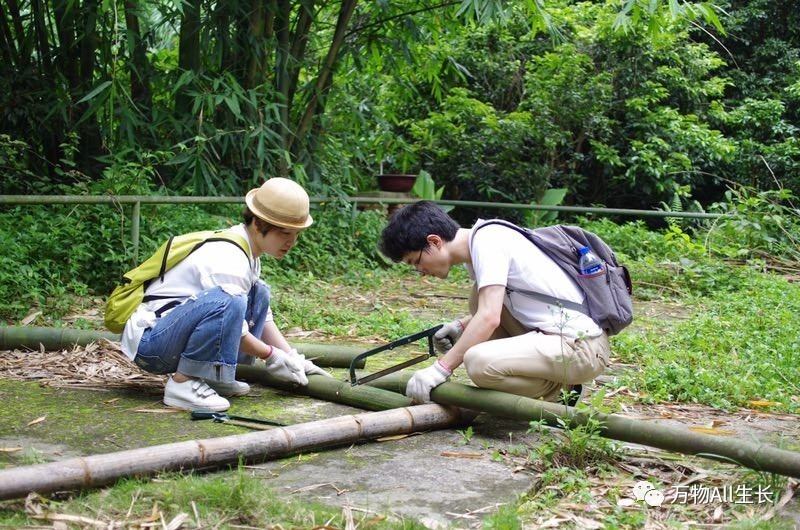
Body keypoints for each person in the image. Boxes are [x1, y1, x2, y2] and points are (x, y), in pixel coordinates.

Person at [119, 177, 330, 412]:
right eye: (284, 233)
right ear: (259, 224)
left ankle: (212, 377)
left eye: (296, 234)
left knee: (258, 293)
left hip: (170, 336)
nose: (291, 242)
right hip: (153, 347)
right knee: (229, 300)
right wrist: (271, 356)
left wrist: (291, 356)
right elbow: (235, 325)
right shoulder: (229, 258)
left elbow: (263, 316)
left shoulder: (249, 251)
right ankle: (182, 383)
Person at [379, 200, 610, 405]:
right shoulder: (482, 240)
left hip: (581, 347)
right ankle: (547, 382)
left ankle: (557, 392)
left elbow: (489, 317)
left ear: (435, 241)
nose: (420, 270)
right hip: (555, 337)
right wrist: (460, 326)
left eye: (415, 261)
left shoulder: (488, 242)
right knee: (478, 298)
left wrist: (440, 370)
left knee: (478, 362)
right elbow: (499, 305)